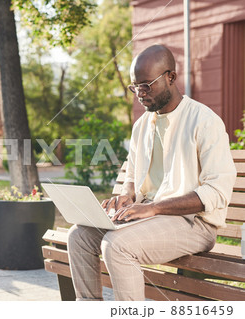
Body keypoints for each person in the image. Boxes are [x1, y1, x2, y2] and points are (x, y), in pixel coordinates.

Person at [67, 44, 237, 301]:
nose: (140, 93)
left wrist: (154, 208)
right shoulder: (142, 125)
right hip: (149, 217)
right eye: (135, 86)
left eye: (147, 85)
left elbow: (217, 192)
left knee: (117, 245)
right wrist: (126, 196)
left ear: (171, 77)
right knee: (78, 236)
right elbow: (132, 178)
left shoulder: (204, 121)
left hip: (194, 224)